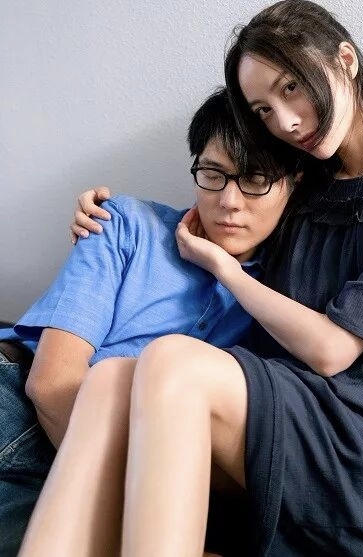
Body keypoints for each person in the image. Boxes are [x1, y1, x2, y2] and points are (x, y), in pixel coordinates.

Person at [20, 0, 363, 557]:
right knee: (109, 380)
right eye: (263, 109)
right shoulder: (305, 175)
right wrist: (105, 217)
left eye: (292, 88)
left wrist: (221, 267)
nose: (285, 121)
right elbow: (230, 204)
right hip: (286, 413)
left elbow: (334, 351)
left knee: (173, 361)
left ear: (345, 61)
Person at [0, 88, 298, 557]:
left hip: (84, 461)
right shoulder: (126, 223)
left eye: (255, 179)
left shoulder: (282, 302)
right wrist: (135, 511)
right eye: (212, 175)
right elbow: (52, 384)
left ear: (294, 184)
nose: (229, 201)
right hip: (18, 402)